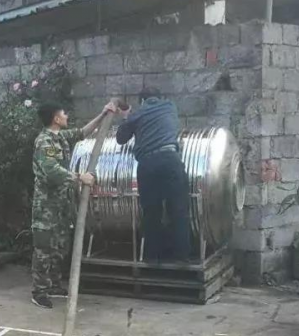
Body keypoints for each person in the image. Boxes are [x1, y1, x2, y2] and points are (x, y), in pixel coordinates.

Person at [31, 99, 118, 309]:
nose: (67, 116)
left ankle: (52, 284)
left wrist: (103, 113)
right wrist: (81, 177)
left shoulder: (60, 138)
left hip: (62, 205)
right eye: (64, 113)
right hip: (47, 207)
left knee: (60, 245)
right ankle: (39, 291)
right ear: (55, 118)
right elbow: (51, 171)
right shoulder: (45, 142)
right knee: (44, 249)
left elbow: (82, 132)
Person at [115, 87, 191, 262]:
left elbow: (120, 138)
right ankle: (183, 257)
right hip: (171, 160)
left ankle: (152, 257)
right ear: (160, 97)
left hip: (148, 164)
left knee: (151, 212)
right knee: (179, 209)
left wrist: (127, 116)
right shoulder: (170, 107)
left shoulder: (138, 114)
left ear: (142, 101)